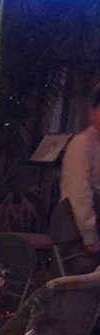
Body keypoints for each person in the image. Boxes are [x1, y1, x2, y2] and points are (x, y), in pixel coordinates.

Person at [61, 82, 100, 260]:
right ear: (93, 112)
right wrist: (90, 236)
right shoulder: (82, 144)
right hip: (80, 230)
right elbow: (78, 194)